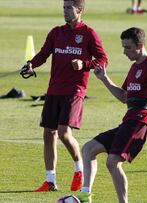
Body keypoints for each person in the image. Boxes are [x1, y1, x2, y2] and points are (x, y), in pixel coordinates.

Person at [75, 27, 147, 203]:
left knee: (113, 162)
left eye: (128, 47)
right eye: (123, 47)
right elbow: (124, 96)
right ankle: (85, 196)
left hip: (141, 121)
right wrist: (104, 79)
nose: (124, 52)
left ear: (140, 45)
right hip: (129, 120)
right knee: (88, 148)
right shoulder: (134, 68)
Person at [22, 0, 108, 192]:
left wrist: (84, 64)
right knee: (48, 133)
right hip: (54, 90)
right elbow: (43, 54)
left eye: (69, 8)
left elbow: (103, 59)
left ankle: (79, 170)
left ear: (80, 10)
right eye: (63, 8)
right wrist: (31, 64)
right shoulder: (56, 32)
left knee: (63, 133)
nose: (65, 11)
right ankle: (50, 181)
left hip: (75, 90)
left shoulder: (88, 33)